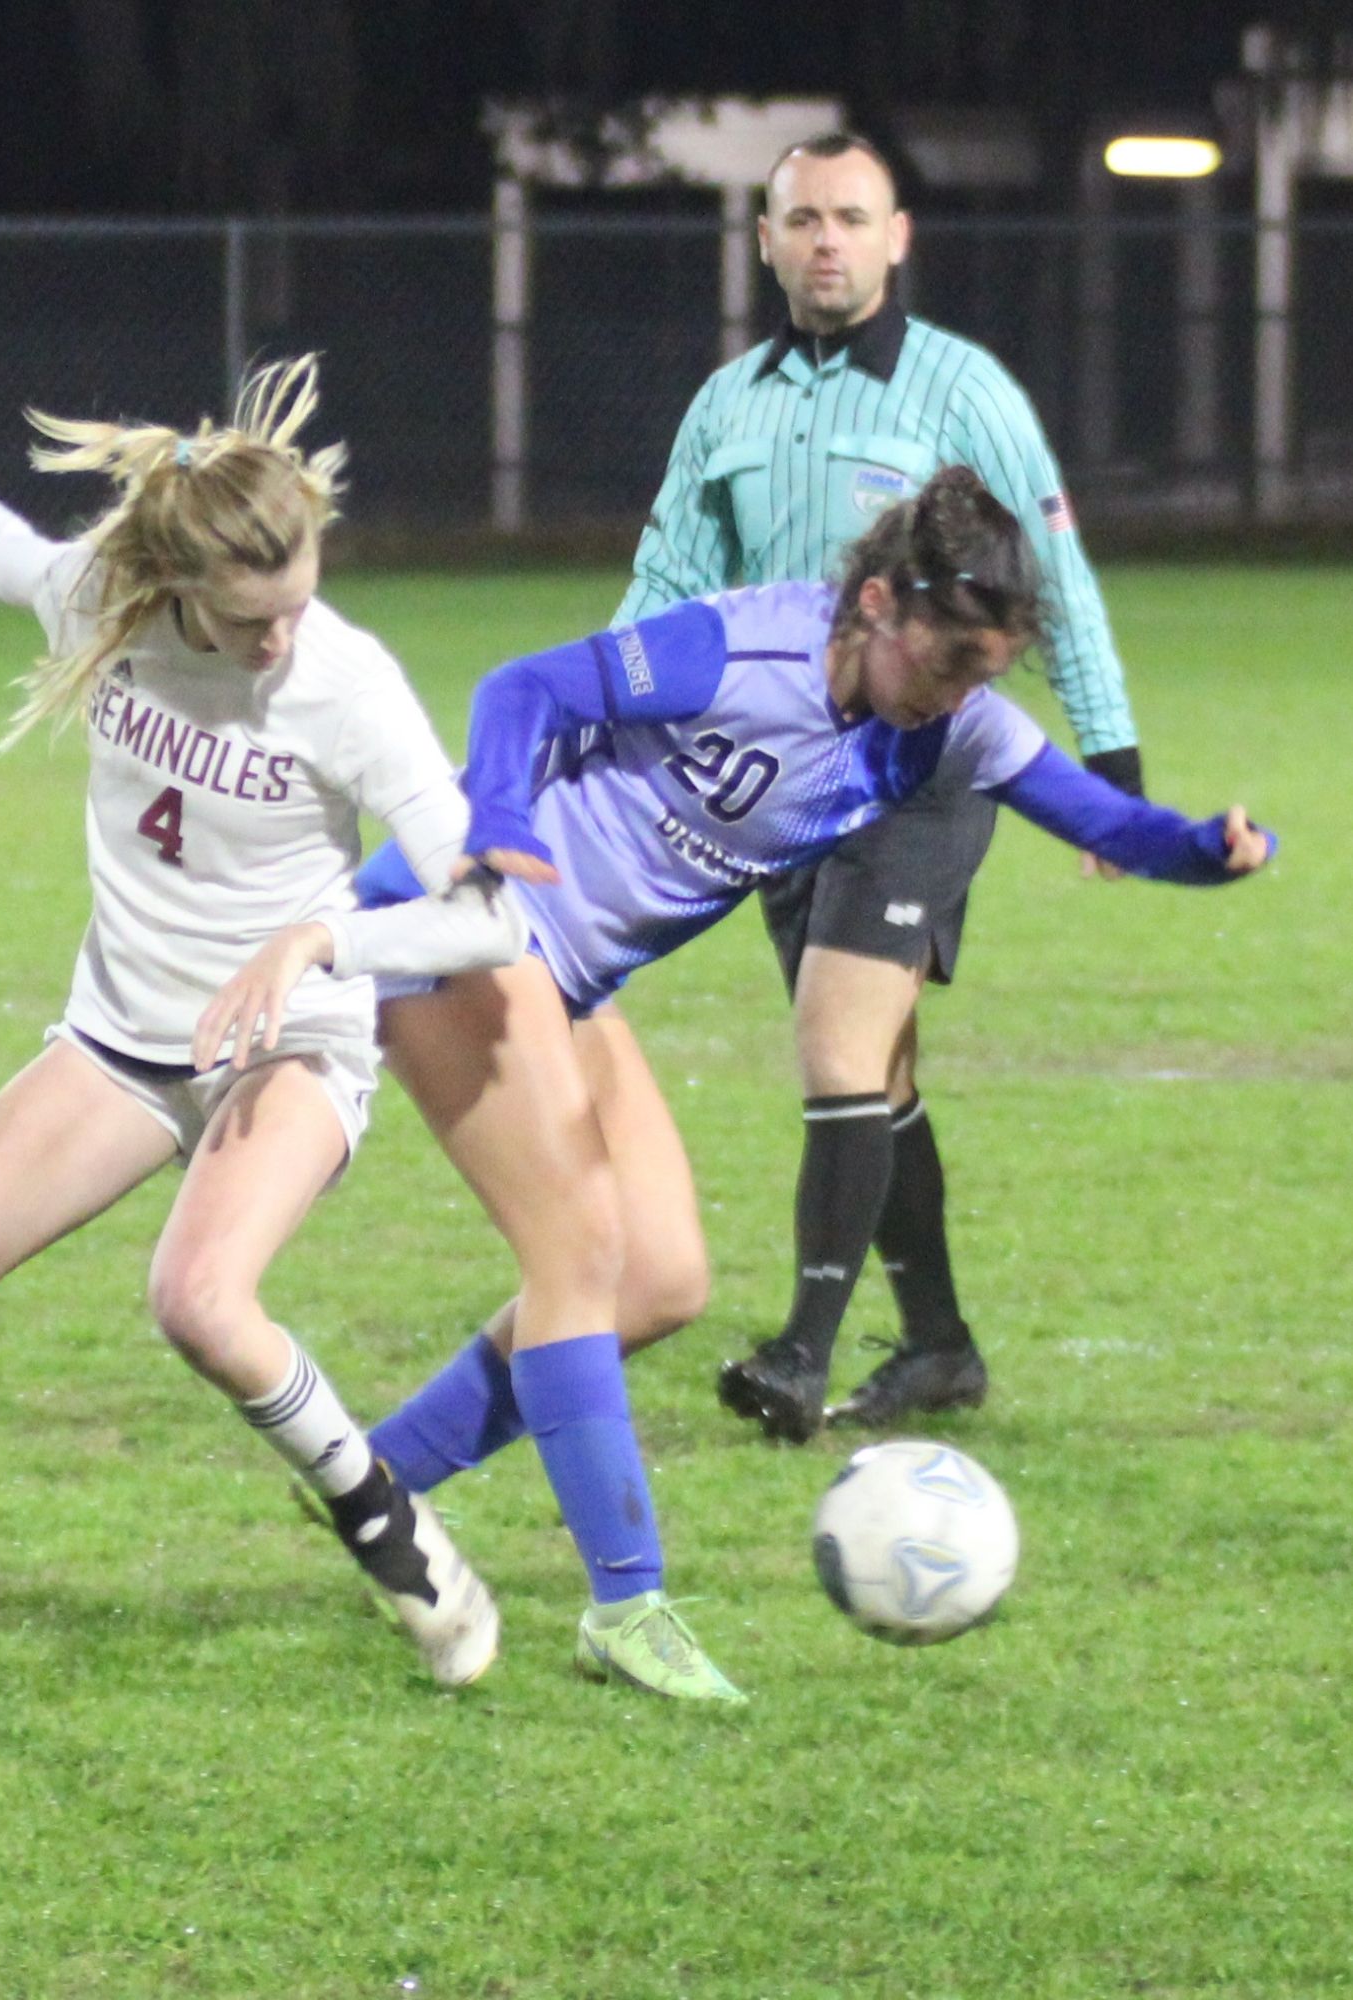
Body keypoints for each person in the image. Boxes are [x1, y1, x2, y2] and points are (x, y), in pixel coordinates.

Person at [197, 468, 1271, 1704]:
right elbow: (525, 687)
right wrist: (492, 810)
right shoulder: (739, 648)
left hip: (568, 975)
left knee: (659, 1280)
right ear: (874, 603)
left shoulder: (949, 722)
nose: (955, 698)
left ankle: (370, 1477)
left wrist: (1203, 849)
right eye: (944, 664)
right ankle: (626, 1604)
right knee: (578, 1254)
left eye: (981, 675)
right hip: (464, 934)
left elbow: (1101, 817)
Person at [0, 342, 522, 1692]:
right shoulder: (108, 598)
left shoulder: (345, 679)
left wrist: (322, 937)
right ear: (178, 588)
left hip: (292, 1043)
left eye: (300, 606)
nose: (284, 640)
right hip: (122, 1043)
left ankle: (390, 1528)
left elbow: (491, 917)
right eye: (254, 620)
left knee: (201, 1303)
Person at [616, 130, 1150, 1443]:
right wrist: (615, 727)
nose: (826, 242)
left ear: (896, 235)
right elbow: (666, 583)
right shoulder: (726, 405)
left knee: (835, 1044)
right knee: (878, 1069)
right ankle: (938, 1347)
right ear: (764, 238)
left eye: (850, 218)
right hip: (781, 783)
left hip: (924, 770)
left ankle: (799, 1357)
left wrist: (1113, 767)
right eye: (801, 219)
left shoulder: (961, 391)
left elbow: (1054, 585)